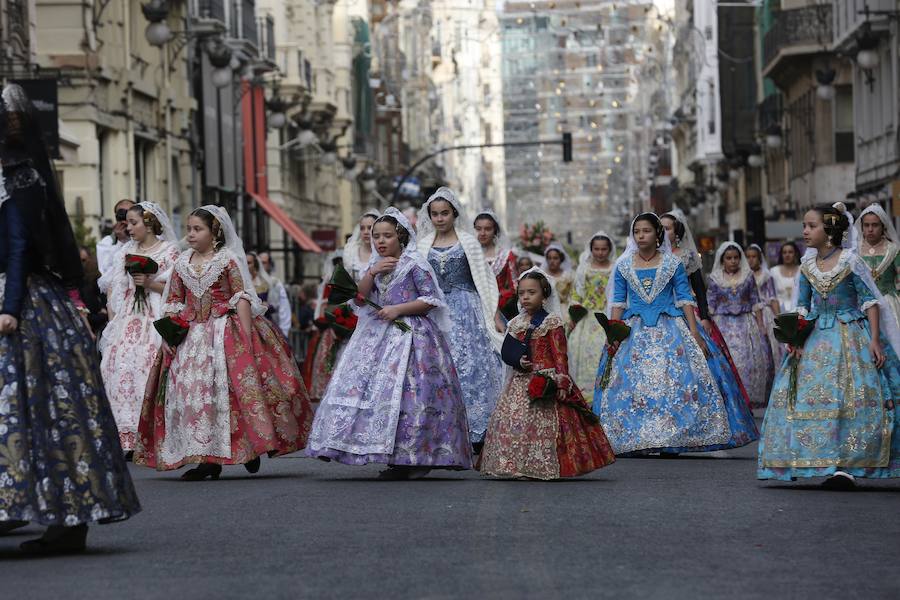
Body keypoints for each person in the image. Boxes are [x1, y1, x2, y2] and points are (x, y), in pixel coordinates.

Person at [0, 83, 140, 554]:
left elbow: (18, 246)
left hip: (21, 302)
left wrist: (9, 307)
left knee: (41, 409)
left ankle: (63, 517)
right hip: (24, 297)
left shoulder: (19, 178)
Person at [134, 206, 314, 480]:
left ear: (214, 232)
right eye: (190, 229)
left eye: (198, 229)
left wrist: (246, 335)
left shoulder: (227, 260)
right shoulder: (182, 262)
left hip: (224, 331)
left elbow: (241, 296)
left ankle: (249, 448)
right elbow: (173, 301)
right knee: (194, 395)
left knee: (233, 391)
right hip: (190, 335)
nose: (191, 234)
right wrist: (169, 336)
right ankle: (206, 458)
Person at [306, 208, 472, 479]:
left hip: (413, 337)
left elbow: (431, 300)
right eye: (376, 236)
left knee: (412, 394)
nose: (381, 241)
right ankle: (383, 452)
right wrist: (371, 273)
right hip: (376, 337)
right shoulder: (376, 266)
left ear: (401, 237)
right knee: (372, 391)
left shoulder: (414, 265)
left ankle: (416, 456)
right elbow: (359, 299)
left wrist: (399, 310)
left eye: (387, 236)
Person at [759, 202, 900, 488]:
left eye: (811, 226)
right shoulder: (807, 265)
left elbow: (870, 301)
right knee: (812, 398)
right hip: (815, 336)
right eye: (804, 226)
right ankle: (818, 459)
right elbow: (801, 307)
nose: (805, 231)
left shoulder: (851, 260)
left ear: (831, 229)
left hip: (850, 333)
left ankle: (847, 464)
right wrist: (795, 339)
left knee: (850, 397)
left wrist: (874, 340)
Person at [592, 213, 734, 455]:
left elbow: (685, 298)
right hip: (634, 329)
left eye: (646, 231)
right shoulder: (623, 266)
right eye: (637, 231)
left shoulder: (672, 264)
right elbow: (618, 301)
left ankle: (673, 435)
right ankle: (638, 435)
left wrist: (695, 334)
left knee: (675, 379)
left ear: (658, 234)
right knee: (632, 382)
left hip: (670, 327)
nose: (641, 235)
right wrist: (612, 332)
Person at [480, 268, 616, 480]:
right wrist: (518, 360)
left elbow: (560, 355)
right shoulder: (516, 323)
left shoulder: (552, 322)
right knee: (516, 422)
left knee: (544, 425)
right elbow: (507, 351)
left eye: (531, 292)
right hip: (519, 382)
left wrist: (561, 383)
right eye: (522, 293)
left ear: (544, 294)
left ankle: (542, 464)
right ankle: (515, 463)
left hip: (546, 380)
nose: (525, 297)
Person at [418, 187, 504, 451]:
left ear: (454, 214)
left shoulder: (468, 242)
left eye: (445, 213)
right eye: (435, 214)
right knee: (438, 367)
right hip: (436, 311)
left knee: (472, 366)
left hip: (468, 311)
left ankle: (476, 429)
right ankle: (442, 428)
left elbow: (484, 281)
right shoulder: (422, 246)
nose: (440, 218)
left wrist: (494, 313)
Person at [661, 209, 758, 435]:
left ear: (677, 232)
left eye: (667, 228)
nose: (663, 232)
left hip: (687, 315)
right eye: (661, 227)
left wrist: (704, 318)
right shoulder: (652, 257)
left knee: (700, 365)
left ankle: (705, 415)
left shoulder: (686, 256)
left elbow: (700, 291)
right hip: (660, 319)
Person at [99, 202, 180, 454]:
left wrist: (149, 283)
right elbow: (116, 287)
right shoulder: (125, 252)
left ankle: (154, 433)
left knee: (149, 365)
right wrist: (114, 321)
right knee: (120, 366)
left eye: (134, 223)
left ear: (149, 223)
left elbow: (178, 288)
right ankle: (127, 434)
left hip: (157, 313)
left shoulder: (170, 252)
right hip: (129, 316)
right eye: (128, 223)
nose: (129, 228)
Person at [707, 242, 774, 409]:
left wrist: (761, 325)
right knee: (728, 360)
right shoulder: (715, 278)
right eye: (729, 258)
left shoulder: (748, 276)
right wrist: (708, 326)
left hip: (746, 324)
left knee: (747, 361)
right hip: (723, 324)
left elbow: (755, 301)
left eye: (736, 257)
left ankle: (746, 398)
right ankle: (729, 397)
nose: (733, 261)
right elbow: (710, 304)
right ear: (722, 260)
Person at [568, 231, 616, 393]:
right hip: (587, 318)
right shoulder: (584, 269)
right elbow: (577, 293)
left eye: (603, 249)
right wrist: (574, 314)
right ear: (591, 249)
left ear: (609, 250)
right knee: (583, 351)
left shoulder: (615, 268)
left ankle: (606, 388)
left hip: (608, 316)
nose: (600, 253)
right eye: (596, 249)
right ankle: (585, 391)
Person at [856, 203, 900, 332]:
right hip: (860, 305)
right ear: (862, 227)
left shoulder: (894, 249)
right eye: (866, 225)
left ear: (883, 226)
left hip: (888, 304)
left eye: (875, 225)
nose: (870, 229)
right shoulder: (854, 251)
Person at [474, 209, 518, 329]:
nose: (482, 233)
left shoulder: (506, 256)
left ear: (495, 231)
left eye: (487, 229)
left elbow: (514, 287)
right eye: (478, 229)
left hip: (501, 310)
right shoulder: (469, 255)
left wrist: (496, 299)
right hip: (473, 309)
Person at [746, 243, 785, 369]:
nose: (751, 259)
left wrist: (779, 320)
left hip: (765, 314)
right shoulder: (743, 276)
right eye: (748, 257)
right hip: (748, 314)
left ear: (759, 259)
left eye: (754, 256)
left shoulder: (766, 275)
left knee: (771, 346)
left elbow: (773, 298)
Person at [96, 198, 136, 290]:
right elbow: (105, 273)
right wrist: (121, 241)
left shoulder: (146, 237)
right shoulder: (106, 243)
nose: (125, 218)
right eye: (121, 213)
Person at [258, 251, 292, 339]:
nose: (261, 265)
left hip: (271, 326)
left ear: (269, 264)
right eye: (259, 262)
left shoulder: (275, 283)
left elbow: (283, 308)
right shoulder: (247, 282)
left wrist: (284, 331)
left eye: (264, 263)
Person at [342, 209, 380, 282]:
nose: (365, 232)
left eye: (370, 228)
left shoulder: (382, 252)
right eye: (362, 228)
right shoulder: (350, 252)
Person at [79, 246, 109, 337]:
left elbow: (103, 296)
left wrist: (104, 311)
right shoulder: (76, 281)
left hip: (99, 321)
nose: (82, 264)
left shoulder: (95, 276)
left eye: (84, 260)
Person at [543, 242, 575, 316]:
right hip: (547, 309)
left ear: (561, 259)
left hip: (565, 309)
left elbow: (573, 294)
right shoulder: (543, 275)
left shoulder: (568, 275)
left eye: (555, 258)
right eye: (549, 258)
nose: (552, 261)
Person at [770, 241, 801, 311]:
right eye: (784, 252)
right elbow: (772, 296)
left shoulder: (802, 270)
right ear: (781, 255)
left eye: (790, 252)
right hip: (779, 310)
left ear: (795, 254)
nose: (787, 255)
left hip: (799, 311)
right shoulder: (774, 271)